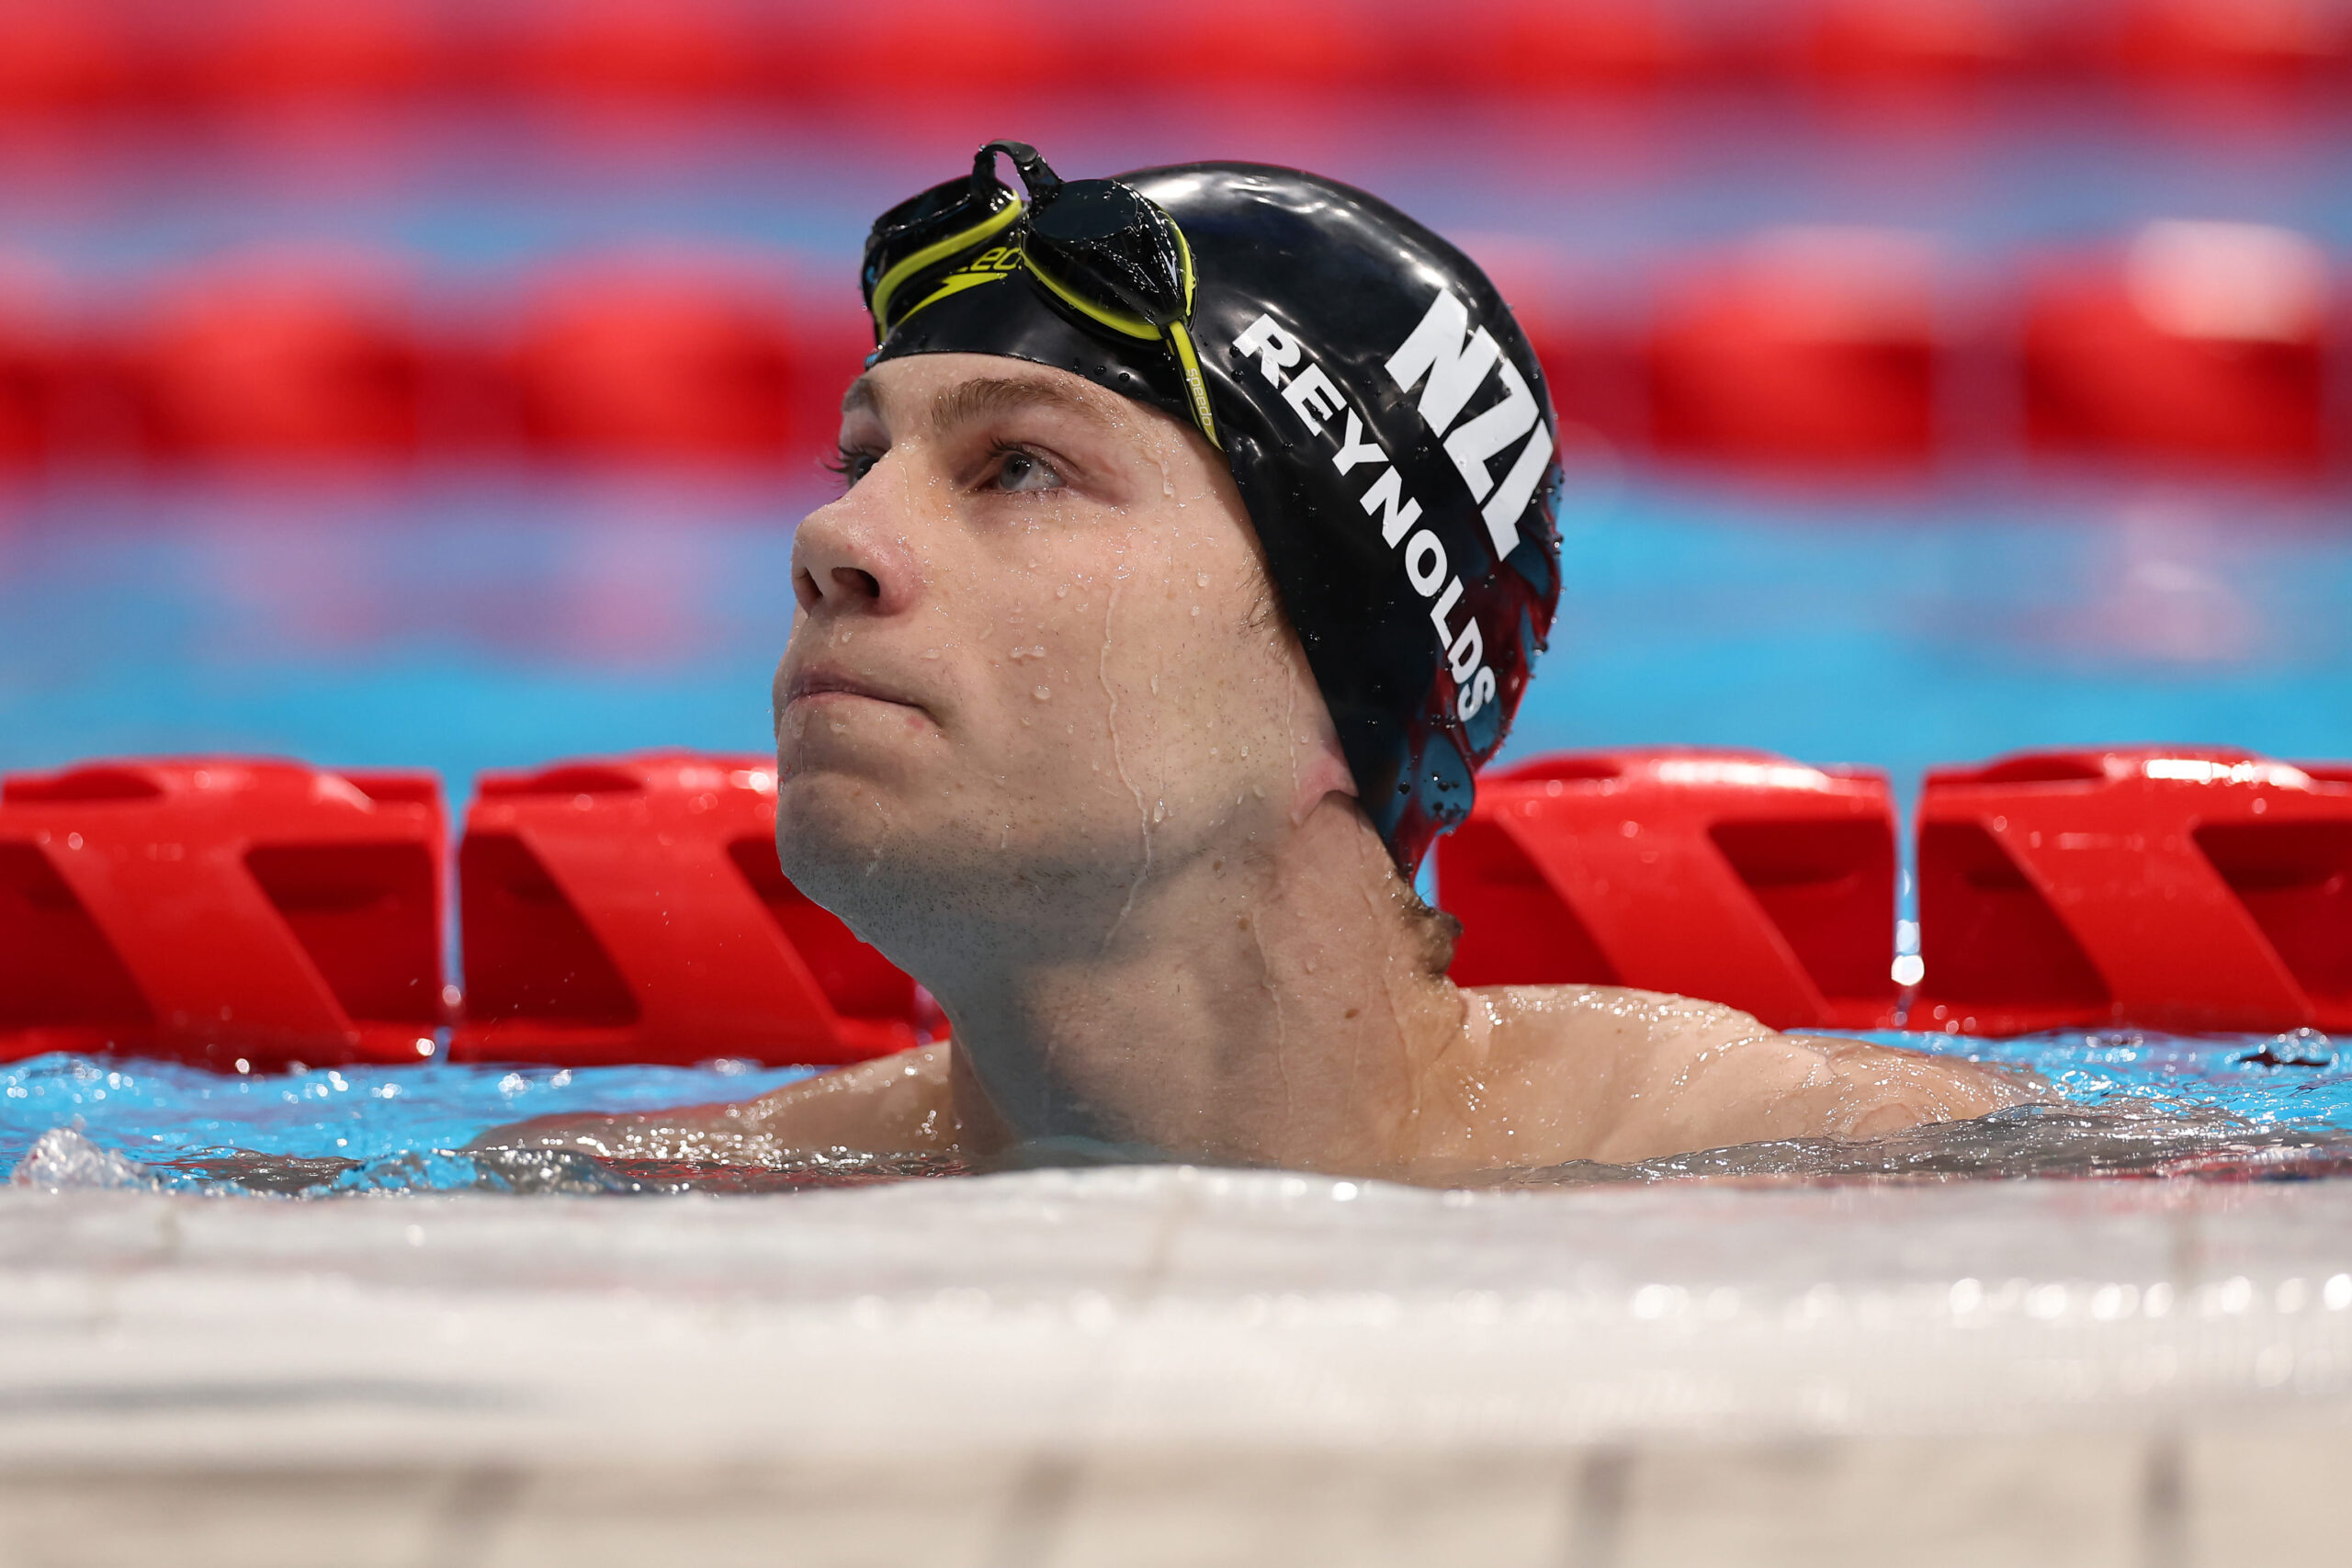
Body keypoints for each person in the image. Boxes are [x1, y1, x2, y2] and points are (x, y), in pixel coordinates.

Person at [486, 143, 2029, 1183]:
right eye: (857, 457)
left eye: (1019, 468)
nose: (836, 536)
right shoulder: (657, 1197)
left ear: (1336, 662)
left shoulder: (1840, 1172)